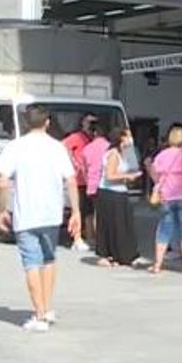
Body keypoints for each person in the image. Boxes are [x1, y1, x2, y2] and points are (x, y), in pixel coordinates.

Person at [0, 105, 81, 332]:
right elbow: (71, 180)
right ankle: (47, 308)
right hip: (51, 214)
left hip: (26, 215)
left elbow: (2, 181)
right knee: (49, 259)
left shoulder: (15, 147)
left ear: (25, 122)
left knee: (31, 262)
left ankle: (39, 315)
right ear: (47, 122)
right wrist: (76, 211)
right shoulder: (57, 147)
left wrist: (2, 210)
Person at [148, 124, 182, 276]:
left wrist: (159, 184)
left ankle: (157, 265)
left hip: (166, 197)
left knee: (164, 229)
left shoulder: (162, 155)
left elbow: (153, 171)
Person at [93, 126, 143, 268]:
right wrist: (128, 176)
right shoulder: (113, 154)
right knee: (111, 224)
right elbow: (110, 175)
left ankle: (124, 254)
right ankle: (105, 254)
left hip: (120, 192)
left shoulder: (125, 153)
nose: (130, 139)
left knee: (123, 225)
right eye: (127, 136)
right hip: (110, 193)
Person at [61, 113, 98, 251]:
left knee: (89, 211)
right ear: (82, 123)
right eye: (89, 122)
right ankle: (77, 238)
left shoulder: (94, 139)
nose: (91, 125)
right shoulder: (77, 137)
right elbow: (63, 145)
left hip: (90, 179)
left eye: (94, 122)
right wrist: (73, 161)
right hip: (78, 180)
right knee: (79, 210)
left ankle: (90, 236)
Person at [79, 124, 111, 249]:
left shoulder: (87, 148)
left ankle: (90, 237)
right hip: (105, 184)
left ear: (94, 133)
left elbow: (83, 168)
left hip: (90, 184)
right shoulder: (109, 147)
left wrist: (87, 179)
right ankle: (101, 239)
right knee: (101, 213)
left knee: (89, 213)